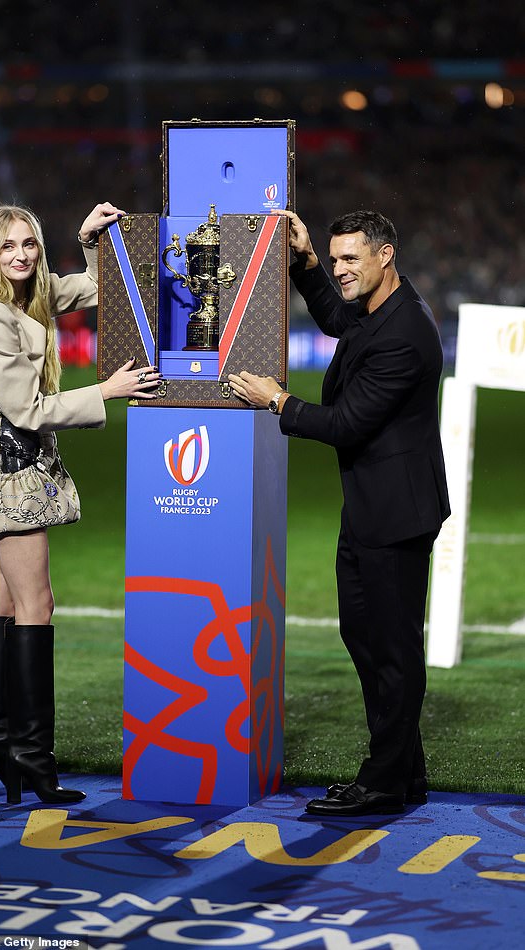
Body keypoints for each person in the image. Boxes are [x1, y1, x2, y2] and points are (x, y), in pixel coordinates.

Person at [228, 209, 450, 817]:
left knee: (393, 648)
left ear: (386, 257)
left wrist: (278, 401)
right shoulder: (380, 310)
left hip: (398, 511)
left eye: (352, 259)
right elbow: (334, 316)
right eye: (336, 257)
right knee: (365, 635)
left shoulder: (407, 331)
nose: (342, 269)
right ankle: (404, 772)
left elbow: (348, 423)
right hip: (372, 506)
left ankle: (382, 783)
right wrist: (305, 263)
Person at [0, 201, 160, 806]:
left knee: (6, 600)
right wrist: (108, 391)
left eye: (30, 245)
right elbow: (27, 411)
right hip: (12, 465)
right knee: (37, 602)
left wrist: (90, 237)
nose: (20, 256)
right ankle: (32, 756)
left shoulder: (31, 296)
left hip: (20, 462)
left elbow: (99, 287)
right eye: (7, 247)